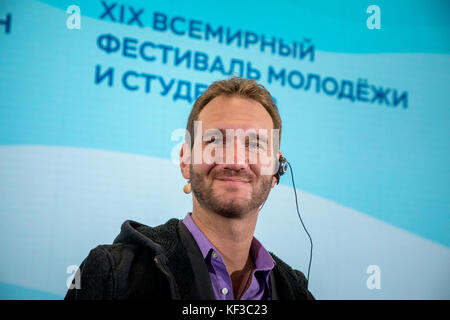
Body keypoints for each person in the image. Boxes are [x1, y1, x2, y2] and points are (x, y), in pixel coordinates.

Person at [65, 77, 314, 300]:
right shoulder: (113, 274)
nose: (236, 161)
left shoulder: (297, 293)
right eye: (215, 140)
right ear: (185, 160)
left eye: (255, 144)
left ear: (276, 169)